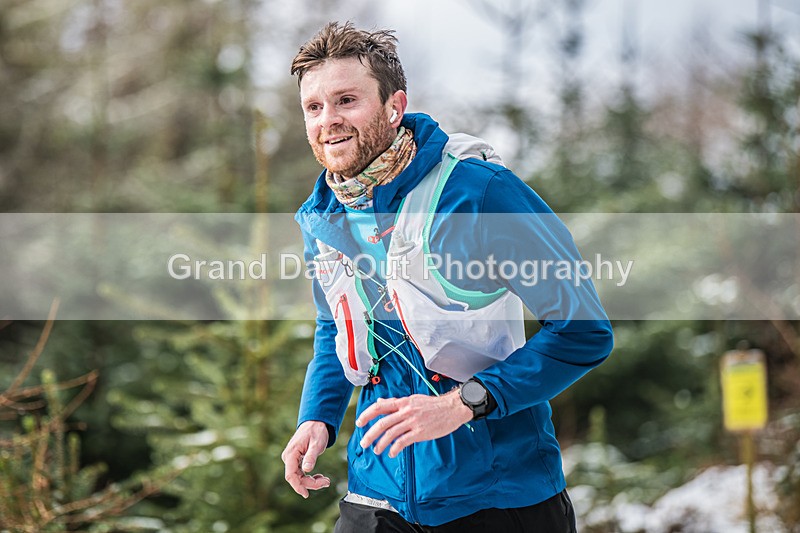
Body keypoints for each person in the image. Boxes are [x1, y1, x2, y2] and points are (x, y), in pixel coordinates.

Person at [281, 21, 614, 532]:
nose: (329, 121)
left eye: (347, 100)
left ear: (394, 106)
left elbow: (583, 331)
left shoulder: (480, 193)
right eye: (314, 107)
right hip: (377, 491)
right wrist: (316, 417)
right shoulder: (323, 216)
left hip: (498, 496)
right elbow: (338, 327)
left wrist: (462, 404)